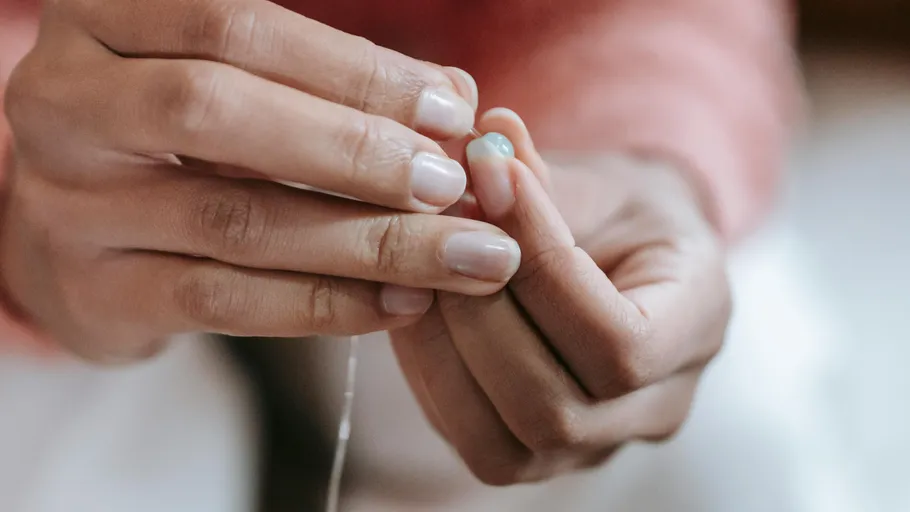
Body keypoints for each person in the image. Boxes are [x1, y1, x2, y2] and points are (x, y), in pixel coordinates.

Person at [0, 0, 799, 509]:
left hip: (518, 146)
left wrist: (647, 158)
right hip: (68, 168)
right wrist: (20, 187)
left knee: (729, 430)